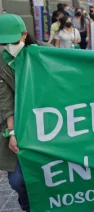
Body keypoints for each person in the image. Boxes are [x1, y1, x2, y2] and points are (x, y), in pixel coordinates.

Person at [0, 14, 30, 212]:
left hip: (49, 123)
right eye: (3, 42)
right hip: (16, 127)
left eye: (13, 41)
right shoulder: (1, 64)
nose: (8, 46)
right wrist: (12, 133)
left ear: (24, 35)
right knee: (17, 180)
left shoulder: (43, 52)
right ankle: (27, 206)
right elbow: (4, 99)